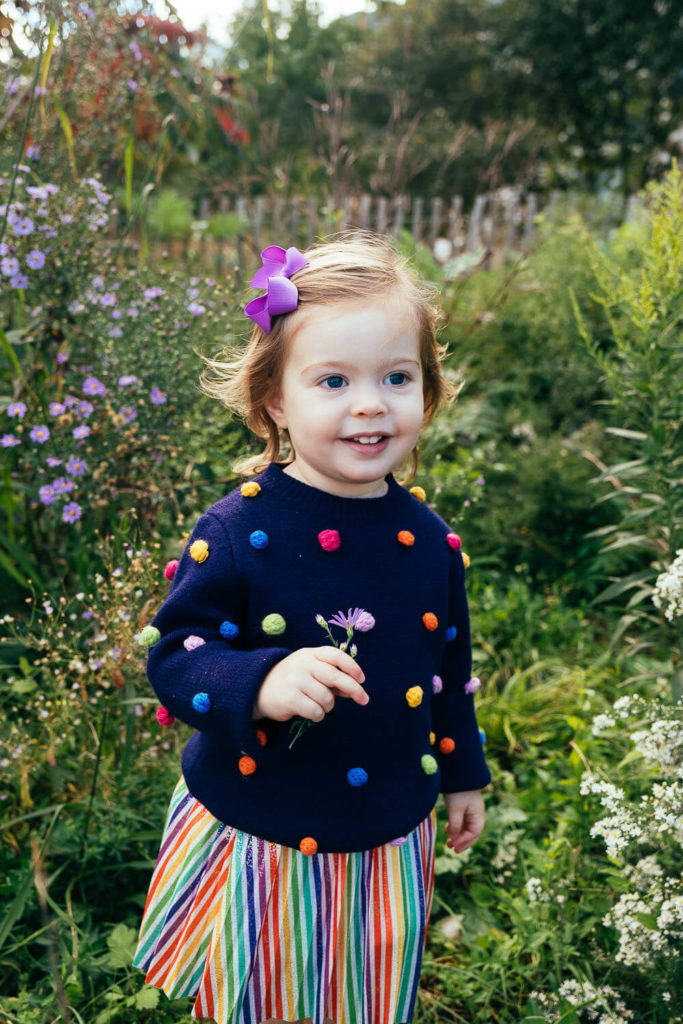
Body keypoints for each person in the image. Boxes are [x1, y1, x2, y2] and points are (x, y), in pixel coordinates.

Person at [133, 234, 491, 1024]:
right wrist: (256, 680)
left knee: (355, 987)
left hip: (384, 828)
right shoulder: (238, 529)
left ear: (425, 392)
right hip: (265, 823)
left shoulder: (429, 542)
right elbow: (178, 653)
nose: (370, 403)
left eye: (396, 378)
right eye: (333, 380)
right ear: (275, 399)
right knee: (259, 989)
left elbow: (447, 672)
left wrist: (463, 771)